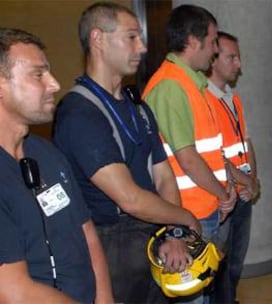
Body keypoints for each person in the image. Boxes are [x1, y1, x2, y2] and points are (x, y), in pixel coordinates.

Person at [53, 2, 200, 304]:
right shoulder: (79, 113)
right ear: (98, 39)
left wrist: (173, 233)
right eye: (131, 37)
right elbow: (128, 197)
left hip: (151, 234)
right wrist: (185, 218)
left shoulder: (137, 106)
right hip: (110, 246)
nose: (142, 47)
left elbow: (163, 174)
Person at [0, 28, 113, 303]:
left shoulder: (46, 153)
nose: (54, 84)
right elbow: (13, 293)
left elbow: (87, 234)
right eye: (39, 74)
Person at [142, 4, 237, 302]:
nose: (214, 51)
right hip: (187, 214)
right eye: (211, 43)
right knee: (191, 297)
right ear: (193, 42)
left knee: (202, 293)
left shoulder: (191, 84)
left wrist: (225, 189)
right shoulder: (171, 86)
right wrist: (222, 194)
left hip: (201, 209)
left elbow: (209, 151)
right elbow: (188, 158)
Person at [205, 31, 260, 304]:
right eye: (232, 57)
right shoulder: (204, 101)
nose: (238, 63)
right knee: (218, 265)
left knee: (235, 263)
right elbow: (213, 157)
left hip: (243, 195)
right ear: (213, 60)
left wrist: (254, 180)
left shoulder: (232, 99)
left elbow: (246, 143)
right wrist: (246, 182)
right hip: (222, 197)